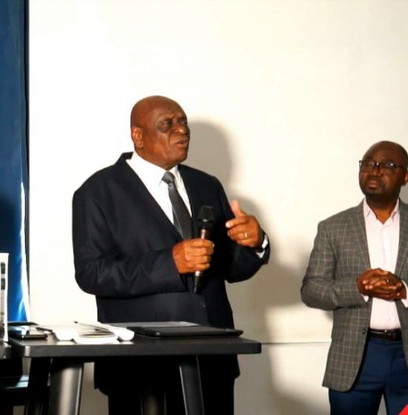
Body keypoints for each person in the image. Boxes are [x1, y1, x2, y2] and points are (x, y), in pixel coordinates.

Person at [72, 95, 270, 414]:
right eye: (168, 124)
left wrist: (256, 242)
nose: (181, 130)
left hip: (212, 360)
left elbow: (229, 268)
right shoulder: (97, 192)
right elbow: (92, 273)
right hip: (140, 366)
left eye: (183, 122)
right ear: (137, 135)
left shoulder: (206, 184)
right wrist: (171, 263)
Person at [301, 141, 408, 415]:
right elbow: (311, 290)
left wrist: (405, 290)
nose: (374, 170)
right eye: (367, 163)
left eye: (387, 165)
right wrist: (357, 287)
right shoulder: (333, 227)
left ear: (406, 177)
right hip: (355, 357)